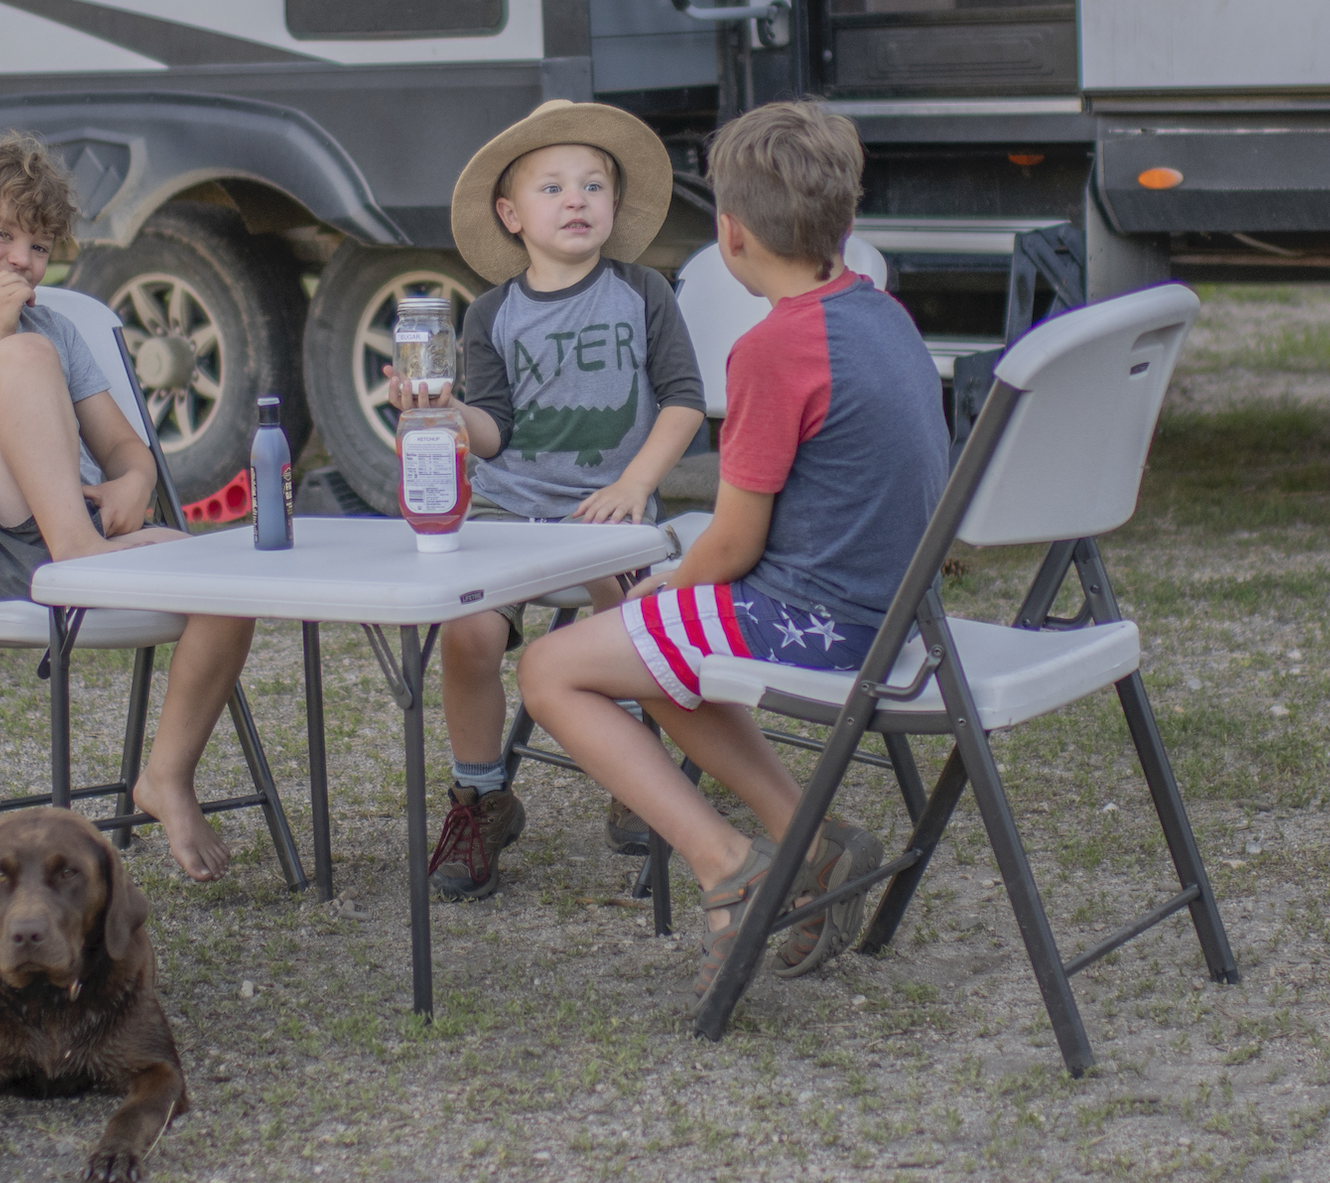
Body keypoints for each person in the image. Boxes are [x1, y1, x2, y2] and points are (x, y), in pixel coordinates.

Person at [513, 99, 944, 990]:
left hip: (823, 624)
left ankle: (723, 865)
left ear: (730, 233)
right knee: (657, 651)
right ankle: (812, 839)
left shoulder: (774, 349)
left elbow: (735, 542)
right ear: (847, 222)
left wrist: (667, 584)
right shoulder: (881, 313)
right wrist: (676, 594)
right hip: (896, 612)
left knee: (552, 669)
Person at [0, 130, 256, 882]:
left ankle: (165, 774)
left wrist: (132, 484)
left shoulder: (57, 327)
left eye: (39, 247)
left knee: (228, 581)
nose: (21, 260)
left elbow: (126, 449)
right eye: (0, 235)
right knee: (22, 356)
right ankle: (78, 552)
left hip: (72, 527)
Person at [392, 101, 709, 903]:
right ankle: (481, 794)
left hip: (608, 508)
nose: (577, 199)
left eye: (594, 184)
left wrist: (636, 484)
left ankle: (634, 768)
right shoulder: (492, 313)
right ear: (511, 215)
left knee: (626, 612)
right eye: (554, 186)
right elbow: (491, 431)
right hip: (508, 510)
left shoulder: (643, 293)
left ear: (613, 205)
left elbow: (682, 400)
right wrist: (438, 409)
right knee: (467, 627)